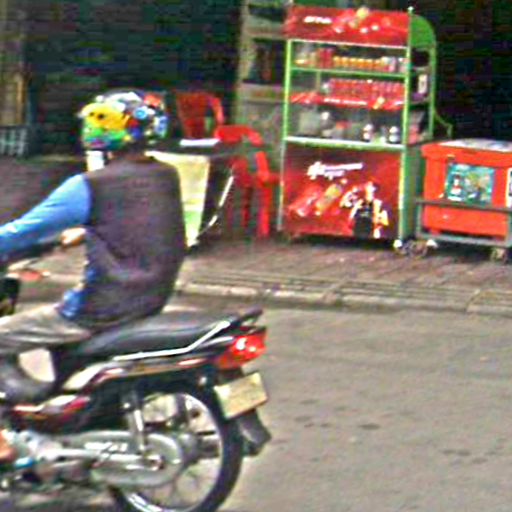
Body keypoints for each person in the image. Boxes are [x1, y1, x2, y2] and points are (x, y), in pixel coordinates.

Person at [0, 89, 186, 461]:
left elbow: (23, 231)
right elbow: (140, 221)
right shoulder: (164, 175)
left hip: (101, 307)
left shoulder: (90, 186)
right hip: (149, 297)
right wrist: (86, 232)